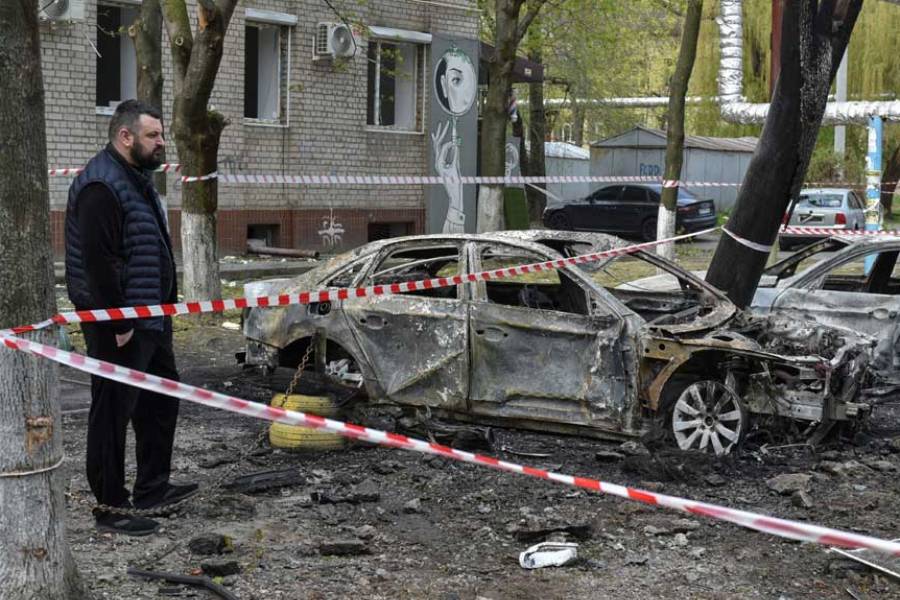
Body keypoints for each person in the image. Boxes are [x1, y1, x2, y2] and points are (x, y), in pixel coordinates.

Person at [65, 100, 196, 536]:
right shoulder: (100, 184)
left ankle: (153, 488)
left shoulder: (134, 179)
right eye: (153, 136)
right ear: (126, 137)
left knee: (160, 401)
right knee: (112, 414)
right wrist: (118, 323)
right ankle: (110, 507)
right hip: (118, 325)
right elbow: (98, 264)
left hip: (150, 320)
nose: (161, 143)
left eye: (160, 135)